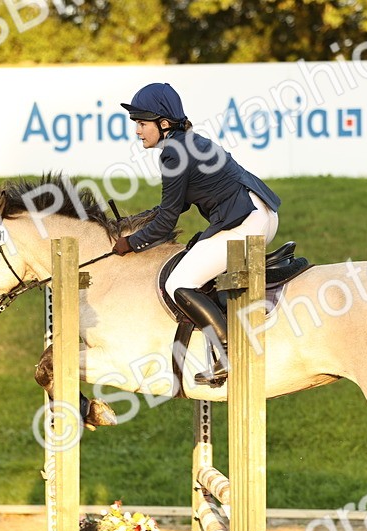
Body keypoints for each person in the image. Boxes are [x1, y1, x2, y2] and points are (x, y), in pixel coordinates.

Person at [112, 82, 281, 386]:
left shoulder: (172, 154)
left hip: (246, 222)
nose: (137, 131)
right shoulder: (191, 141)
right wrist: (140, 218)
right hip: (262, 212)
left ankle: (227, 354)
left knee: (179, 282)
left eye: (141, 123)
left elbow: (166, 223)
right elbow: (178, 203)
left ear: (163, 123)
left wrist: (130, 243)